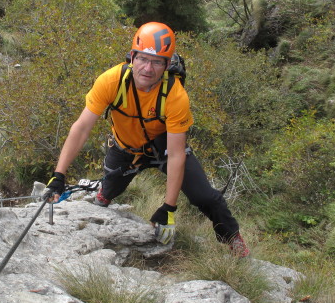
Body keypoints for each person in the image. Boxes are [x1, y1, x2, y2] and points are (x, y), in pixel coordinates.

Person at [43, 22, 249, 257]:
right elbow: (81, 128)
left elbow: (175, 154)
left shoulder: (174, 95)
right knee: (109, 190)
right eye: (142, 59)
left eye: (157, 62)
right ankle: (104, 193)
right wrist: (58, 175)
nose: (148, 68)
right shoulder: (111, 81)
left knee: (204, 196)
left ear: (167, 64)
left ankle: (232, 238)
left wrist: (168, 208)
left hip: (162, 146)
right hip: (124, 148)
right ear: (132, 57)